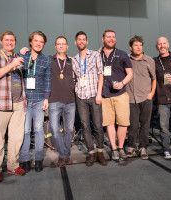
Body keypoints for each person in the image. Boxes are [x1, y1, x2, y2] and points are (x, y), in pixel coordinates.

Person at [0, 30, 26, 183]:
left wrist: (23, 97)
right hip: (1, 104)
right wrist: (11, 65)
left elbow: (19, 79)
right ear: (1, 41)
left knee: (16, 138)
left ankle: (12, 165)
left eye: (12, 40)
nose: (9, 42)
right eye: (7, 40)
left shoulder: (17, 57)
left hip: (18, 104)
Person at [73, 31, 107, 166]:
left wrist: (99, 94)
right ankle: (91, 153)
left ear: (86, 42)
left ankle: (100, 152)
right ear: (76, 42)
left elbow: (101, 75)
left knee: (98, 126)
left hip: (94, 95)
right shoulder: (74, 59)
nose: (81, 41)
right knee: (85, 126)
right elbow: (75, 79)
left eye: (83, 39)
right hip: (81, 97)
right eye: (79, 40)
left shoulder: (95, 55)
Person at [20, 31, 52, 172]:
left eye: (41, 41)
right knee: (25, 131)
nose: (38, 43)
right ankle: (25, 159)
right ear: (31, 42)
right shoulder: (23, 56)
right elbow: (17, 75)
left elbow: (48, 81)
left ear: (43, 44)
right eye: (36, 40)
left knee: (39, 130)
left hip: (39, 100)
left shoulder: (46, 60)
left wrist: (46, 98)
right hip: (25, 101)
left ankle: (38, 159)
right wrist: (20, 54)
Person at [100, 29, 133, 162]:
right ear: (103, 39)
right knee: (109, 123)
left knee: (123, 123)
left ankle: (120, 148)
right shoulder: (97, 55)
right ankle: (113, 149)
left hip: (120, 94)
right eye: (108, 37)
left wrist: (123, 82)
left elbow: (130, 73)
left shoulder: (122, 54)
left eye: (113, 37)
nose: (111, 39)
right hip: (104, 95)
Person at [126, 35, 156, 160]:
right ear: (131, 47)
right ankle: (132, 146)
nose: (138, 47)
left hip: (145, 98)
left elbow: (154, 79)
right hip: (131, 99)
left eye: (140, 45)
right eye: (135, 45)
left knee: (145, 124)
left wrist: (151, 94)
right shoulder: (126, 59)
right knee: (133, 125)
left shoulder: (149, 60)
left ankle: (143, 147)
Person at [48, 36, 75, 168]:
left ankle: (64, 156)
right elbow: (36, 58)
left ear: (67, 46)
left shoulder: (72, 61)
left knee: (69, 130)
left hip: (70, 101)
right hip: (54, 100)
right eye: (58, 44)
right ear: (55, 46)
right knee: (54, 128)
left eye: (63, 44)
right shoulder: (49, 60)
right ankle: (65, 154)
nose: (61, 46)